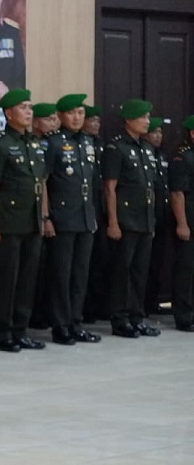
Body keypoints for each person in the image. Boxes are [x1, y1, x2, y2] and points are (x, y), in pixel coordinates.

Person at [0, 88, 47, 352]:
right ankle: (3, 333)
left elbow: (41, 183)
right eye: (23, 108)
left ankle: (21, 330)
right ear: (9, 114)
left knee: (27, 280)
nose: (29, 112)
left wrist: (43, 217)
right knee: (6, 281)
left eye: (30, 107)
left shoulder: (34, 143)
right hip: (8, 223)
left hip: (31, 221)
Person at [43, 94, 101, 345]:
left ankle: (76, 321)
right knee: (61, 274)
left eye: (81, 113)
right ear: (60, 116)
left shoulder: (88, 142)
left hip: (85, 216)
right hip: (62, 216)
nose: (77, 118)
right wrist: (46, 216)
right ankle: (60, 325)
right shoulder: (52, 142)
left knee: (80, 273)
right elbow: (43, 182)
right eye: (71, 113)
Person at [101, 98, 161, 338]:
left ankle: (137, 316)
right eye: (143, 117)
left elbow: (150, 187)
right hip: (125, 219)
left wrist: (151, 220)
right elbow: (110, 188)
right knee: (121, 272)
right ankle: (120, 318)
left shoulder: (146, 148)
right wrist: (113, 222)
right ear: (128, 120)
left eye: (148, 117)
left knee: (139, 272)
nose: (147, 121)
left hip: (144, 219)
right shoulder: (116, 148)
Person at [28, 102, 59, 330]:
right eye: (48, 118)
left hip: (45, 215)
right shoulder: (33, 144)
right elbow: (43, 183)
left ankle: (39, 315)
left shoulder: (44, 144)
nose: (53, 122)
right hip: (27, 216)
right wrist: (45, 217)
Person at [82, 104, 110, 322]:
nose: (96, 124)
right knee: (85, 264)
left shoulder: (101, 144)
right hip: (82, 208)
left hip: (99, 209)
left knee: (100, 260)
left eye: (98, 121)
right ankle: (85, 309)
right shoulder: (78, 143)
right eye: (92, 120)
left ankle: (99, 306)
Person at [143, 116, 172, 315]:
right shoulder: (143, 154)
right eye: (154, 132)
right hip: (145, 216)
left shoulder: (161, 155)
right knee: (144, 264)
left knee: (157, 262)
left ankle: (153, 302)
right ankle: (142, 304)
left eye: (160, 132)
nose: (158, 136)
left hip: (162, 216)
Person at [169, 115, 194, 332]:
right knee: (186, 271)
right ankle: (184, 316)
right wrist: (182, 224)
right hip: (190, 223)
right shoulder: (183, 158)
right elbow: (177, 193)